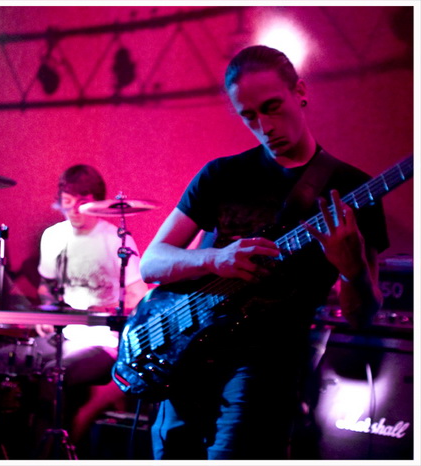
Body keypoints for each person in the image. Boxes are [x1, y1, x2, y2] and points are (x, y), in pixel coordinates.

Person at [139, 45, 388, 459]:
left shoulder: (351, 189)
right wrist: (215, 259)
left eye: (272, 108)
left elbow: (362, 314)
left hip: (266, 368)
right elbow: (151, 263)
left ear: (300, 92)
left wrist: (353, 271)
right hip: (189, 357)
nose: (264, 126)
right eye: (249, 116)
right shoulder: (221, 175)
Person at [36, 164, 149, 452]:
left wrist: (110, 308)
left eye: (82, 203)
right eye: (67, 202)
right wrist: (45, 312)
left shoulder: (116, 239)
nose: (73, 210)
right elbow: (46, 287)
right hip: (64, 335)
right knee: (20, 365)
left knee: (55, 374)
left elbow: (139, 294)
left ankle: (54, 453)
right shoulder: (53, 237)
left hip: (104, 342)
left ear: (97, 203)